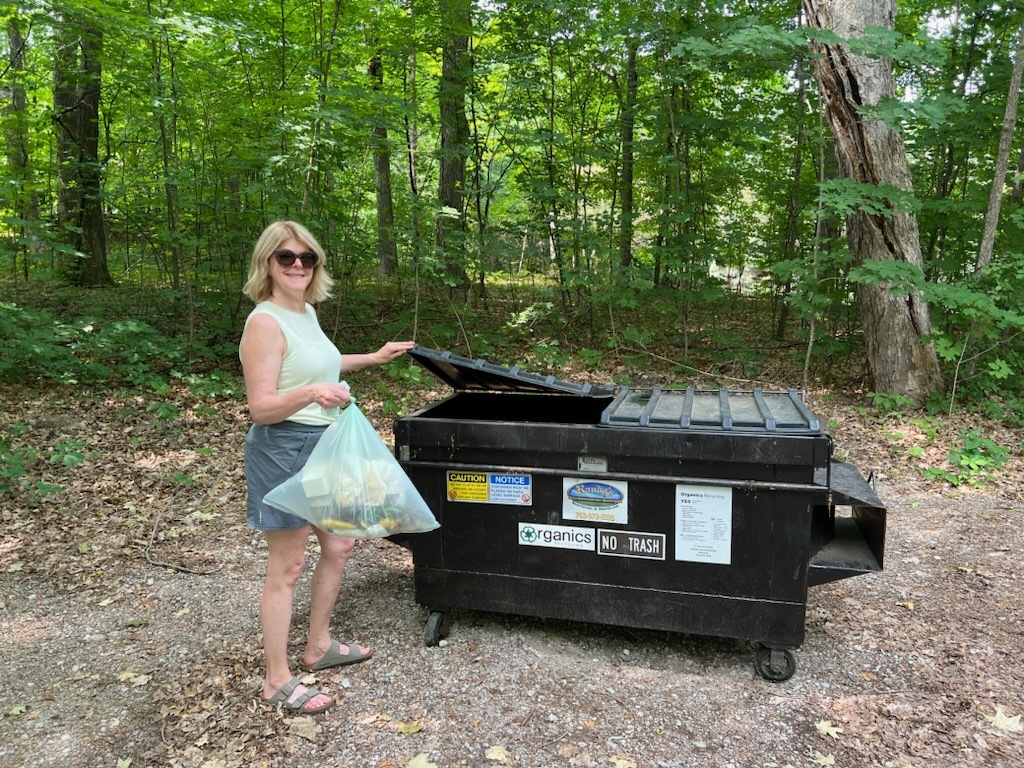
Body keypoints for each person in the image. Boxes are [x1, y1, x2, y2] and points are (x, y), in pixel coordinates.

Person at [239, 220, 414, 715]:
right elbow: (263, 407)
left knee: (339, 543)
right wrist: (312, 393)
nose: (298, 265)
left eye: (307, 258)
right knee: (288, 565)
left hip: (323, 444)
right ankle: (277, 680)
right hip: (282, 446)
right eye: (286, 257)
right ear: (267, 263)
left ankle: (318, 646)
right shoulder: (265, 322)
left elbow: (324, 364)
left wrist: (374, 358)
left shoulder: (306, 313)